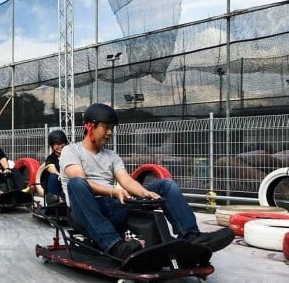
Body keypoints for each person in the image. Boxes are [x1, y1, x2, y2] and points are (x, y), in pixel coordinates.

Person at [59, 103, 235, 260]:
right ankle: (114, 245)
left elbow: (126, 180)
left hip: (113, 206)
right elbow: (80, 179)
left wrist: (145, 193)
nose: (110, 133)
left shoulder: (111, 156)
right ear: (90, 126)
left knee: (166, 185)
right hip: (84, 210)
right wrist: (113, 191)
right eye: (106, 127)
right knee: (77, 184)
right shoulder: (71, 151)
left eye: (112, 128)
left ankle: (192, 237)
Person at [44, 129, 68, 205]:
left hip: (69, 184)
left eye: (62, 143)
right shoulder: (51, 158)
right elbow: (50, 167)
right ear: (52, 146)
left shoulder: (70, 156)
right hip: (57, 184)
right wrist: (60, 175)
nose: (60, 146)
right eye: (57, 144)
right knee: (53, 176)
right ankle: (54, 201)